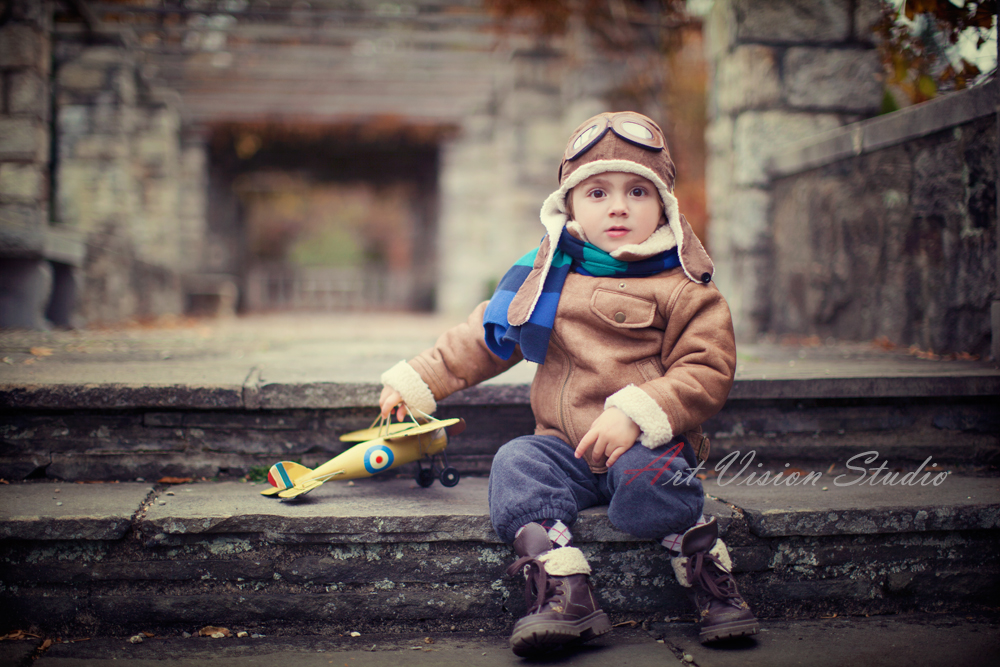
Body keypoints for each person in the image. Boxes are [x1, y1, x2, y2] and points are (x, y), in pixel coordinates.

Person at [378, 111, 758, 656]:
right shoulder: (546, 275)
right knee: (515, 462)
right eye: (598, 192)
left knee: (656, 479)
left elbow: (707, 369)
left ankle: (704, 569)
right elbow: (485, 338)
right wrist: (420, 379)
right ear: (570, 204)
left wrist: (637, 411)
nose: (618, 206)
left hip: (647, 443)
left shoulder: (685, 287)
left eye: (637, 192)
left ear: (665, 206)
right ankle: (560, 584)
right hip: (565, 447)